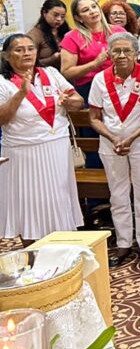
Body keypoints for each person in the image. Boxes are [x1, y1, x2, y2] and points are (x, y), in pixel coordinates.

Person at [0, 33, 84, 242]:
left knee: (58, 199)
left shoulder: (51, 73)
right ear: (6, 56)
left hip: (56, 147)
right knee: (29, 204)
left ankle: (64, 251)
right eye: (19, 49)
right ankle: (33, 253)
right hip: (24, 151)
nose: (26, 53)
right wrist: (21, 93)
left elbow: (78, 100)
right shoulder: (3, 82)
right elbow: (2, 118)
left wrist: (70, 102)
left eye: (30, 48)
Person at [87, 33, 140, 266]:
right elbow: (94, 117)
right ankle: (123, 243)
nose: (122, 55)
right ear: (109, 54)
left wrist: (130, 138)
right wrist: (114, 137)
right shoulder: (99, 79)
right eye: (116, 51)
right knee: (117, 195)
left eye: (127, 50)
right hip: (111, 144)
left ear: (137, 53)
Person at [59, 0, 122, 99]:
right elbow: (66, 72)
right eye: (85, 10)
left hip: (119, 82)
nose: (92, 11)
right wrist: (95, 63)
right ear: (78, 18)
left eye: (94, 6)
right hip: (90, 87)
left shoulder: (118, 31)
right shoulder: (71, 37)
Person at [26, 0, 70, 69]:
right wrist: (52, 59)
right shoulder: (34, 35)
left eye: (62, 16)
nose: (59, 19)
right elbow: (29, 63)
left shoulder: (65, 31)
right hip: (45, 75)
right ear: (44, 13)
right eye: (55, 15)